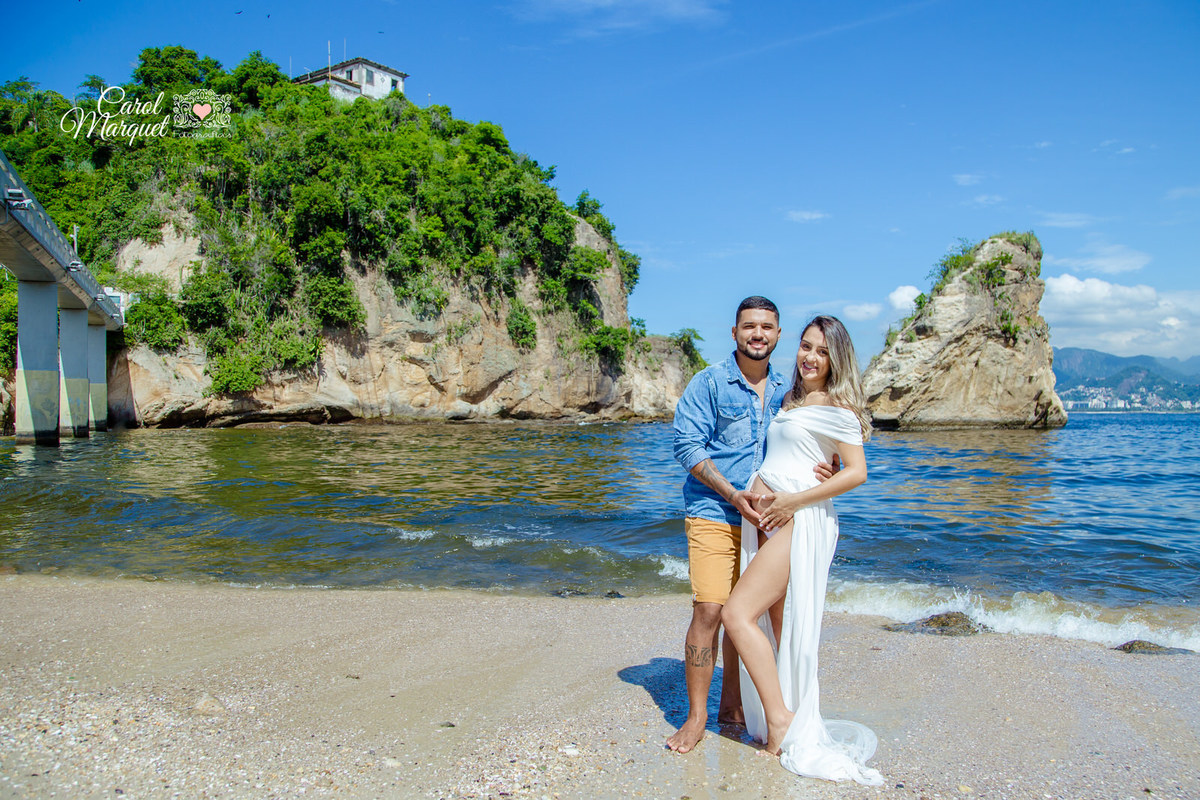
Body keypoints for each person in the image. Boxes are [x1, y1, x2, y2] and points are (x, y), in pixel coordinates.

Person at [721, 314, 884, 785]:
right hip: (768, 519)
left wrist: (793, 499)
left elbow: (856, 472)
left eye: (822, 351)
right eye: (806, 346)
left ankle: (780, 719)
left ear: (837, 359)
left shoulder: (839, 408)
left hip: (798, 520)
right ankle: (785, 713)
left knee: (737, 615)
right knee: (780, 623)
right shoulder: (791, 399)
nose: (810, 357)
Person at [669, 297, 835, 754]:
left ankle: (735, 707)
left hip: (770, 519)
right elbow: (686, 446)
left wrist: (832, 462)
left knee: (757, 612)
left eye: (766, 327)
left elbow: (834, 424)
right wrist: (732, 494)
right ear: (735, 332)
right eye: (749, 326)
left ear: (778, 335)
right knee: (711, 609)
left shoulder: (789, 387)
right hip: (714, 511)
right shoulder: (709, 383)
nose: (757, 334)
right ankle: (697, 717)